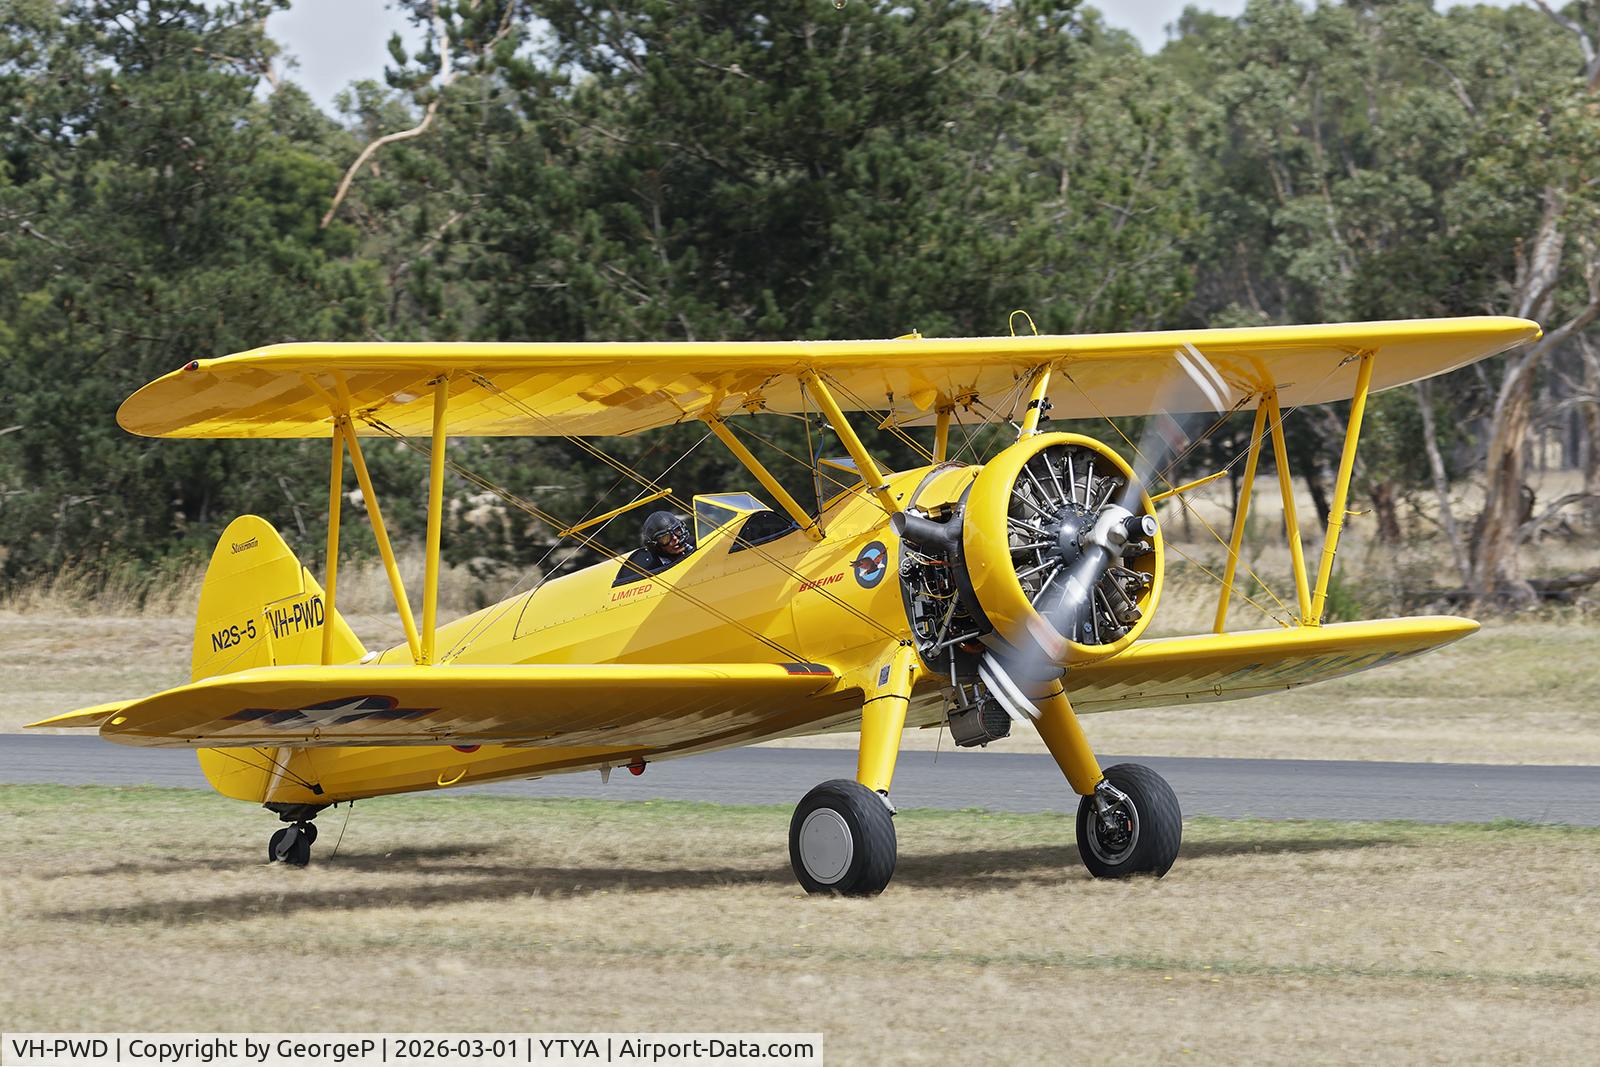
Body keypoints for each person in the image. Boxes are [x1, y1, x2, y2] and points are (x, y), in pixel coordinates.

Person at [623, 510, 695, 578]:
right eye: (665, 538)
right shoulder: (652, 571)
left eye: (677, 531)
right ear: (655, 545)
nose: (675, 538)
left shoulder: (696, 543)